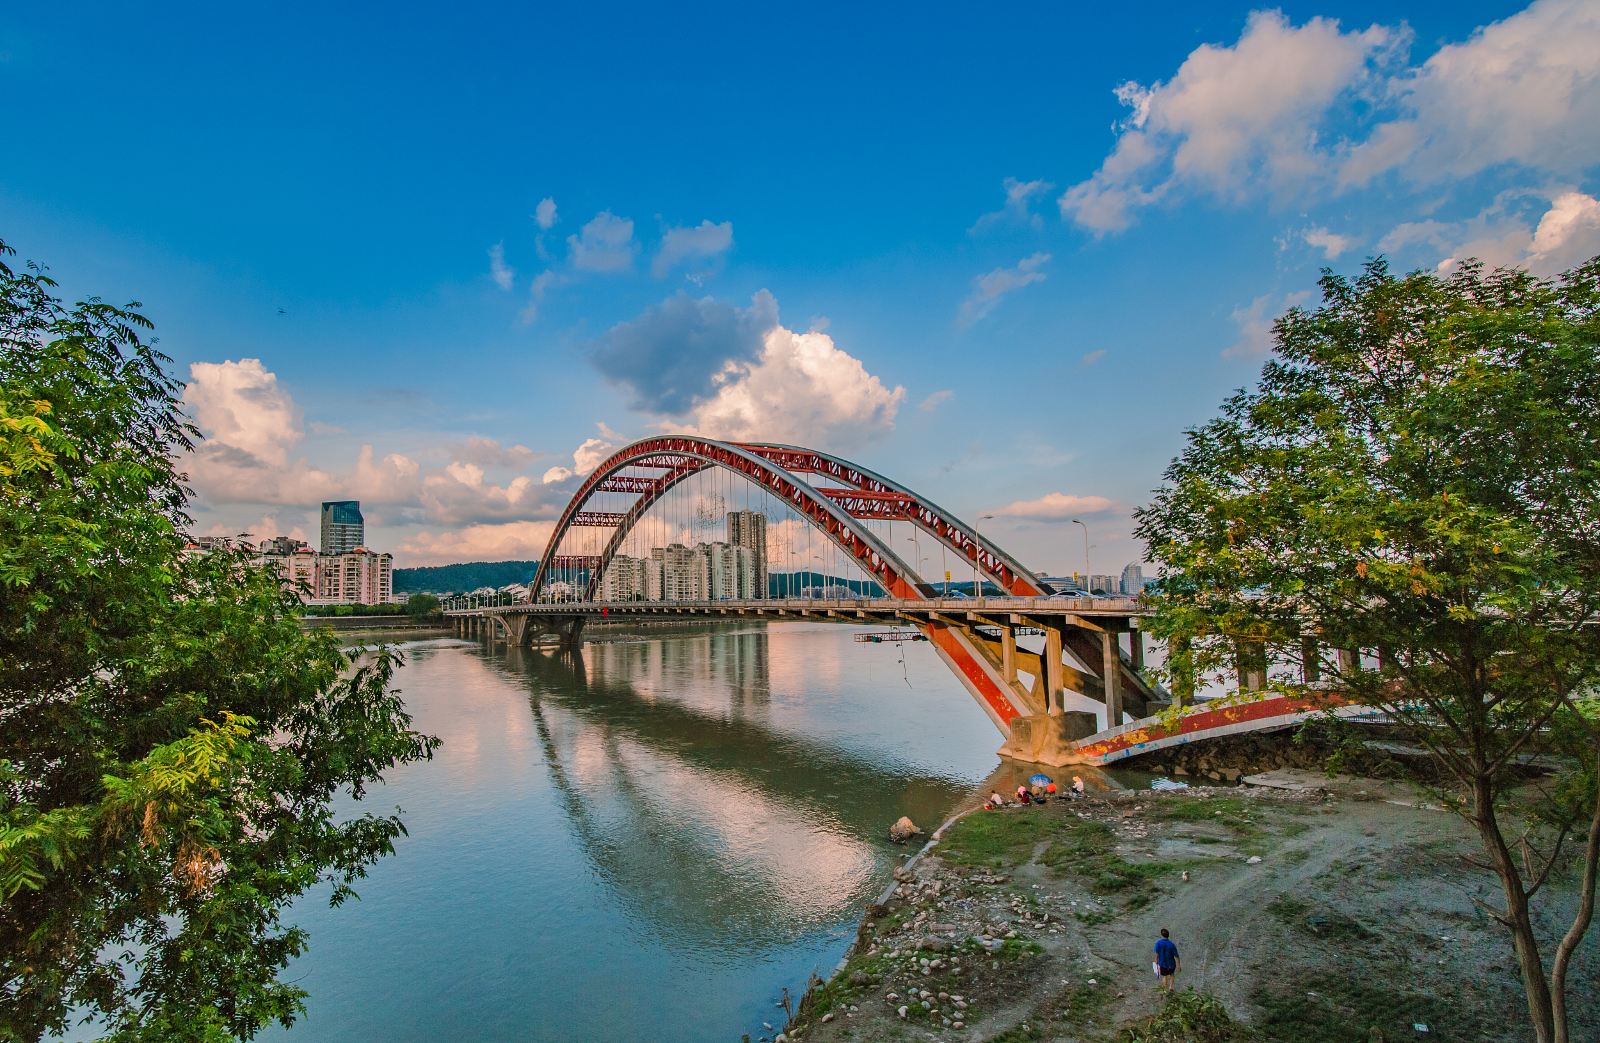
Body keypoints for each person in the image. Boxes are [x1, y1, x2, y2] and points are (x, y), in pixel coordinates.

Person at [1153, 928, 1180, 992]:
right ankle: (1171, 987)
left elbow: (1157, 954)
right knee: (1172, 975)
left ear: (1161, 935)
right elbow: (1176, 956)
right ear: (1168, 935)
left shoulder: (1158, 943)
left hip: (1162, 964)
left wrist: (1156, 961)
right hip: (1171, 964)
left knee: (1164, 976)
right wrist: (1179, 965)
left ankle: (1165, 989)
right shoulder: (1172, 944)